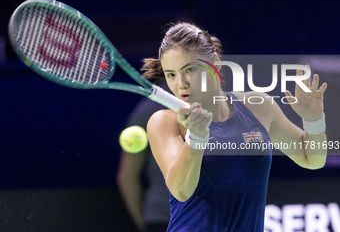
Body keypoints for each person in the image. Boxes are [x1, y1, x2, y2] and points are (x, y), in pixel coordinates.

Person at [141, 22, 328, 231]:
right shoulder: (164, 122)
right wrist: (197, 136)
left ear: (216, 64)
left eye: (190, 69)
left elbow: (312, 158)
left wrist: (313, 119)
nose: (181, 83)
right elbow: (181, 190)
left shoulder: (259, 107)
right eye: (171, 74)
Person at [117, 82, 171, 232]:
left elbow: (127, 178)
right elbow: (127, 178)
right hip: (163, 221)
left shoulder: (147, 107)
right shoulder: (149, 109)